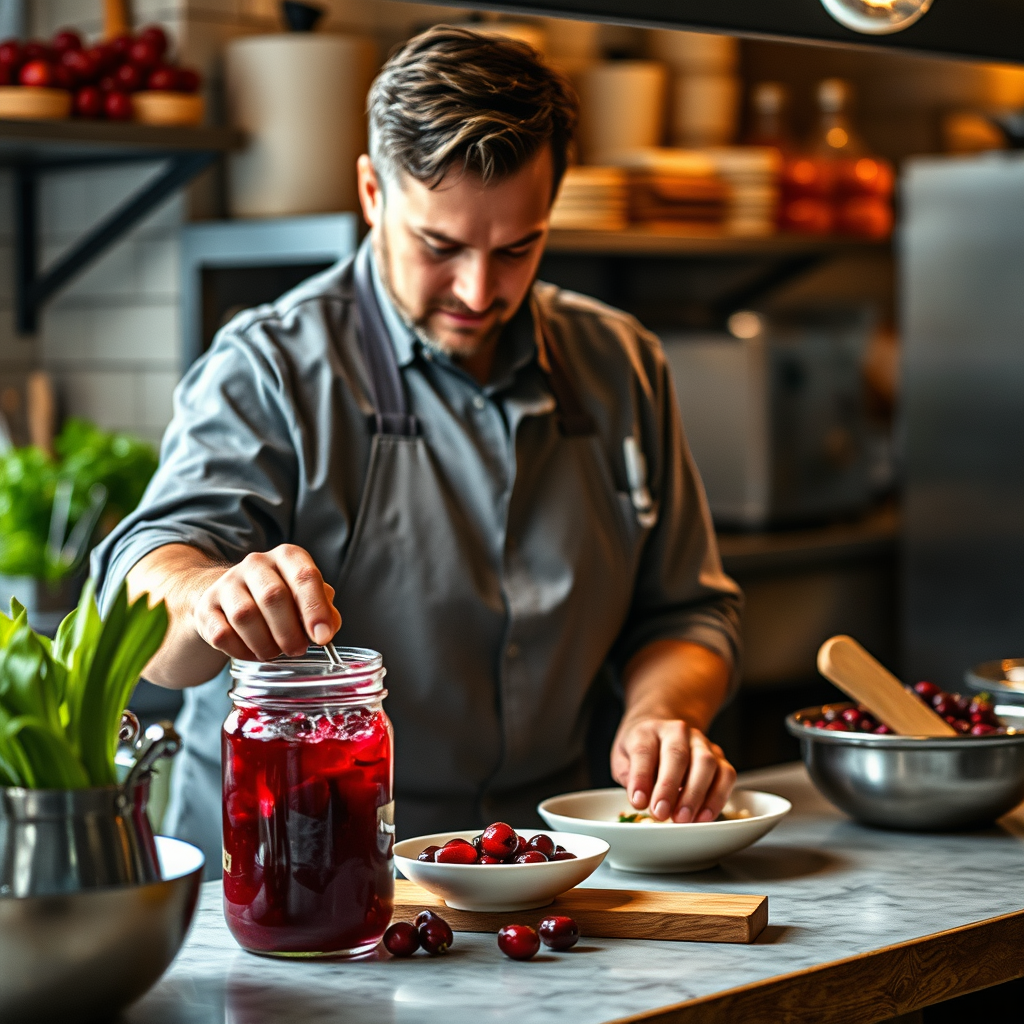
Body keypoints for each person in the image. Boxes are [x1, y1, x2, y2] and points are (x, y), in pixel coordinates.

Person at [93, 26, 742, 871]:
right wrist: (214, 591)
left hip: (534, 866)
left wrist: (662, 711)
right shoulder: (269, 365)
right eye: (441, 247)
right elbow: (147, 579)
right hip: (296, 863)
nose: (479, 290)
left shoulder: (622, 364)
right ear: (372, 191)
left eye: (518, 248)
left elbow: (687, 610)